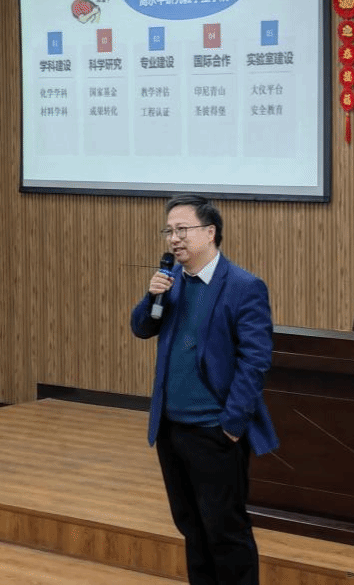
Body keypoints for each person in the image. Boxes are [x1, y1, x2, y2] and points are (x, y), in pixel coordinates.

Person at [131, 194, 278, 585]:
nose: (174, 239)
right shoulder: (171, 282)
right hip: (171, 429)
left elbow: (255, 361)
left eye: (182, 229)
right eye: (169, 231)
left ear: (210, 232)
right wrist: (152, 296)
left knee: (225, 532)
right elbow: (142, 328)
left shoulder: (244, 286)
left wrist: (232, 424)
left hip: (215, 431)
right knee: (192, 528)